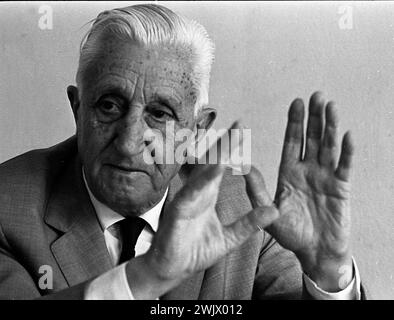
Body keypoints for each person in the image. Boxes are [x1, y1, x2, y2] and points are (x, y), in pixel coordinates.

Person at [0, 4, 365, 299]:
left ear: (197, 130)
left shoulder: (243, 211)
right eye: (109, 106)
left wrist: (329, 274)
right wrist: (147, 276)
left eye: (159, 114)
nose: (129, 144)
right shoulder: (8, 207)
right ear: (77, 109)